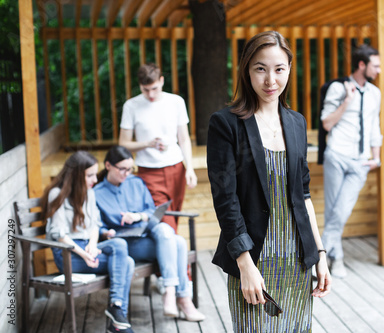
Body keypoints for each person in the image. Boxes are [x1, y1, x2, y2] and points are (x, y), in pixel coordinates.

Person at [207, 31, 331, 332]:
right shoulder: (226, 124)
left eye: (279, 69)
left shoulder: (297, 122)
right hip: (253, 257)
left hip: (296, 259)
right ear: (247, 71)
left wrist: (320, 254)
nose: (270, 80)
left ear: (289, 69)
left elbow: (303, 195)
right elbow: (227, 200)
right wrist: (245, 265)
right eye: (260, 69)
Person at [93, 145, 205, 322]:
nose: (126, 173)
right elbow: (95, 226)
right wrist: (106, 232)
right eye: (122, 169)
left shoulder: (136, 182)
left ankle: (170, 290)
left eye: (130, 169)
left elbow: (151, 210)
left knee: (168, 234)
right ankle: (183, 299)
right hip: (126, 242)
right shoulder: (96, 193)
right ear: (108, 166)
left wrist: (137, 216)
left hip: (148, 233)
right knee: (178, 243)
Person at [42, 151, 135, 333]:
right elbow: (59, 234)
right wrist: (84, 253)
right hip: (68, 254)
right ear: (77, 175)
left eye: (94, 174)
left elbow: (95, 225)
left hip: (87, 247)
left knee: (119, 245)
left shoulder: (89, 193)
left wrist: (92, 245)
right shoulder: (57, 194)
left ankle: (115, 308)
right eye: (90, 175)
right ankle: (117, 322)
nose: (94, 179)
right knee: (128, 263)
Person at [320, 44, 382, 278]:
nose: (379, 70)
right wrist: (347, 101)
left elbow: (375, 127)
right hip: (337, 155)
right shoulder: (338, 88)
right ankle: (338, 260)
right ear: (362, 65)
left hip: (361, 161)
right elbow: (326, 123)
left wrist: (376, 158)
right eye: (375, 65)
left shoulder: (375, 93)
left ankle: (319, 256)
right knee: (333, 211)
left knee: (342, 211)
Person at [119, 63, 197, 233]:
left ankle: (174, 257)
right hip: (149, 171)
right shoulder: (131, 106)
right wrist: (148, 143)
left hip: (176, 168)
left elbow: (184, 139)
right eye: (145, 90)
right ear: (140, 86)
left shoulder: (176, 102)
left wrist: (190, 168)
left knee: (174, 217)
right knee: (164, 221)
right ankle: (181, 260)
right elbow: (123, 143)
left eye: (154, 88)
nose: (151, 94)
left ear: (161, 81)